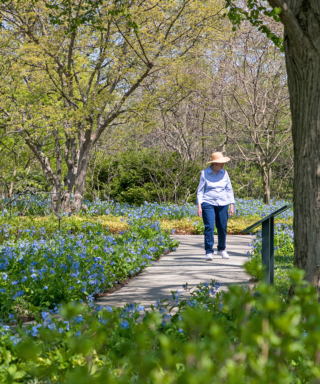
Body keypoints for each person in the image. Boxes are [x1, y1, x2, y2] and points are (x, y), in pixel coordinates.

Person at [197, 152, 235, 260]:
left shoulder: (225, 173)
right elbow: (200, 191)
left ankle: (222, 249)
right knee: (209, 227)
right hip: (207, 202)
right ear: (214, 164)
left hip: (223, 202)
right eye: (220, 163)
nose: (222, 165)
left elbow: (229, 189)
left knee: (222, 227)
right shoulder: (204, 173)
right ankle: (209, 251)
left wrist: (231, 205)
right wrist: (199, 206)